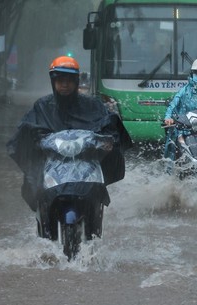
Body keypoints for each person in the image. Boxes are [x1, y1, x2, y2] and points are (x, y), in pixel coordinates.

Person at [7, 56, 132, 227]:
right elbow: (27, 129)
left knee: (95, 198)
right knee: (35, 187)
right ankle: (44, 228)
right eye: (60, 80)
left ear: (76, 81)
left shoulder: (93, 105)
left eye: (69, 80)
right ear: (53, 81)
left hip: (86, 164)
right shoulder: (42, 106)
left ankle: (94, 226)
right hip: (52, 166)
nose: (64, 85)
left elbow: (109, 124)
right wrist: (35, 140)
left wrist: (108, 141)